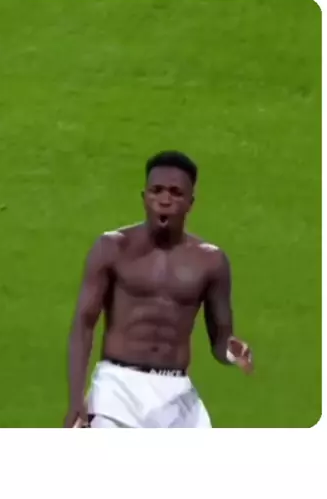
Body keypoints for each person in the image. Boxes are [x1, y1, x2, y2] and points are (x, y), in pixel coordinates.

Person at [64, 151, 253, 428]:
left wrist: (231, 351)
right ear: (144, 197)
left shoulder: (211, 262)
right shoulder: (112, 248)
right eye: (157, 191)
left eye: (176, 193)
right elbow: (83, 324)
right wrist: (75, 401)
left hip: (177, 395)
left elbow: (220, 339)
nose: (165, 200)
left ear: (190, 203)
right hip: (117, 391)